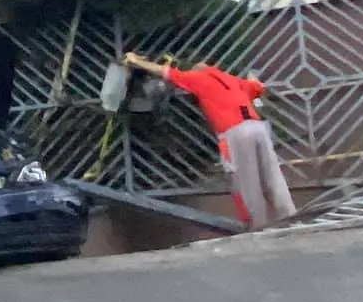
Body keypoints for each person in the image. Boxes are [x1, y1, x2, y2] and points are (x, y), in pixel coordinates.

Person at [125, 53, 298, 229]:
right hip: (257, 127)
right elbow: (258, 87)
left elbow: (166, 72)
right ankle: (290, 219)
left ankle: (258, 228)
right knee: (273, 177)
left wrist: (136, 61)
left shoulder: (198, 78)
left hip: (235, 133)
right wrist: (253, 79)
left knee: (247, 184)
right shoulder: (230, 79)